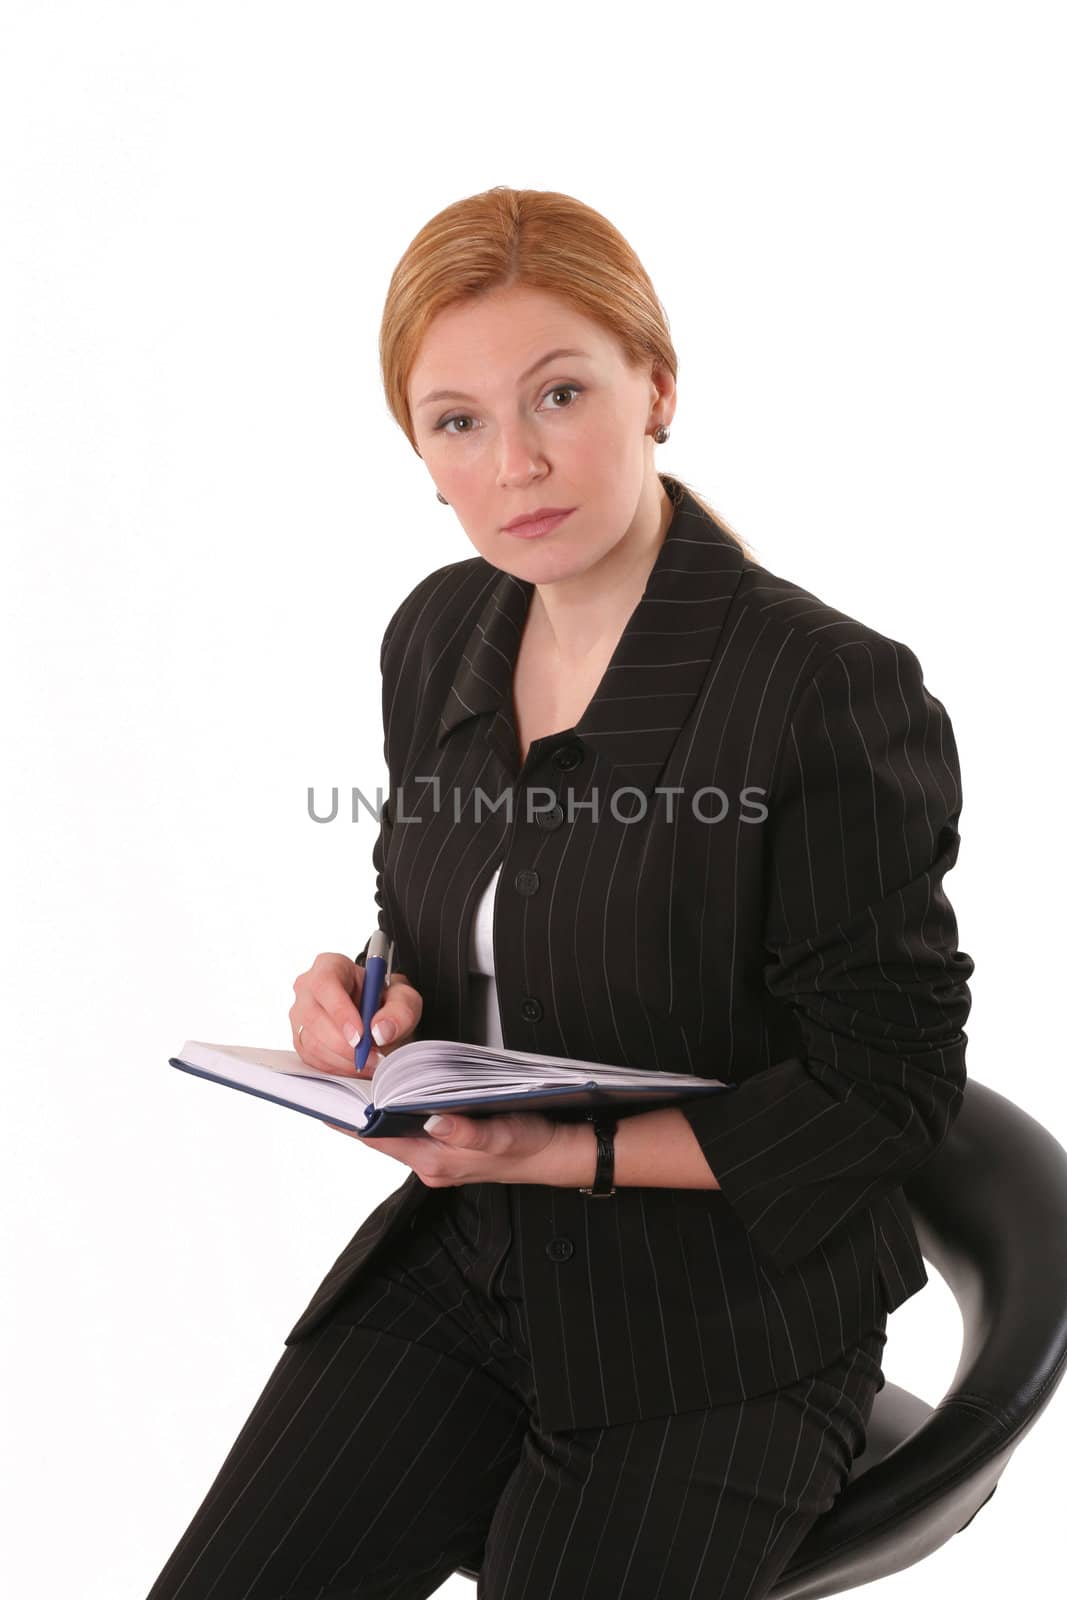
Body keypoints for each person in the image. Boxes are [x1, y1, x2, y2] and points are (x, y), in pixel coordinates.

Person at [145, 187, 974, 1600]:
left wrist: (562, 1154)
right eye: (458, 420)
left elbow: (887, 1093)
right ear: (420, 452)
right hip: (473, 1261)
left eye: (561, 394)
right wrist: (370, 995)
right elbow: (445, 907)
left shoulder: (822, 689)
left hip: (720, 1319)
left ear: (657, 386)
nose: (516, 462)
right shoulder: (443, 629)